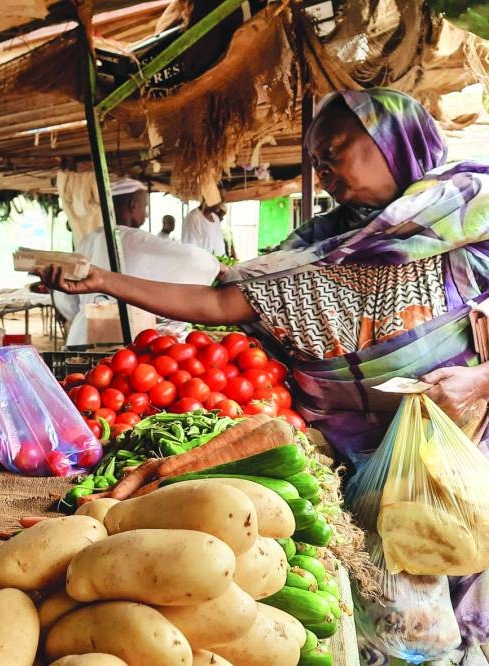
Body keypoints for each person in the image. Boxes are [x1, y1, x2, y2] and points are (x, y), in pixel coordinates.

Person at [37, 88, 489, 663]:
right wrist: (105, 281)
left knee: (474, 588)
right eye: (316, 158)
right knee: (409, 623)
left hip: (466, 451)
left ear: (393, 143)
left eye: (335, 150)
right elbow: (219, 304)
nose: (322, 168)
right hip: (365, 462)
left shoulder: (471, 225)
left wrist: (478, 381)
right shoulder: (317, 250)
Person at [53, 178, 220, 347]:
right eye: (145, 207)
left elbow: (65, 300)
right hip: (122, 341)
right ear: (133, 205)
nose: (146, 214)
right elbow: (193, 259)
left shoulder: (87, 241)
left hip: (81, 338)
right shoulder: (136, 241)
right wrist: (217, 266)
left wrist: (86, 314)